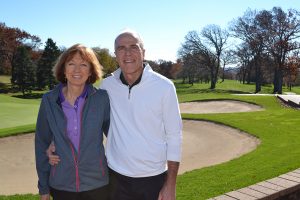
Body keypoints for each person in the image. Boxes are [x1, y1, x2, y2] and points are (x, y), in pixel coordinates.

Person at [48, 29, 182, 200]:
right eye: (121, 48)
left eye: (134, 47)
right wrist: (56, 142)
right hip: (115, 178)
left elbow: (174, 137)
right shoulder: (107, 86)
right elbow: (81, 115)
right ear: (115, 55)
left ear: (143, 52)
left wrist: (171, 184)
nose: (127, 53)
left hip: (153, 178)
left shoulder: (165, 87)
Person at [35, 44, 110, 200]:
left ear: (90, 71)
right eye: (71, 64)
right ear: (64, 69)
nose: (77, 70)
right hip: (61, 184)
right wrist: (43, 188)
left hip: (97, 184)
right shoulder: (49, 100)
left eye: (83, 64)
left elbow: (115, 136)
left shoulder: (102, 98)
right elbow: (41, 143)